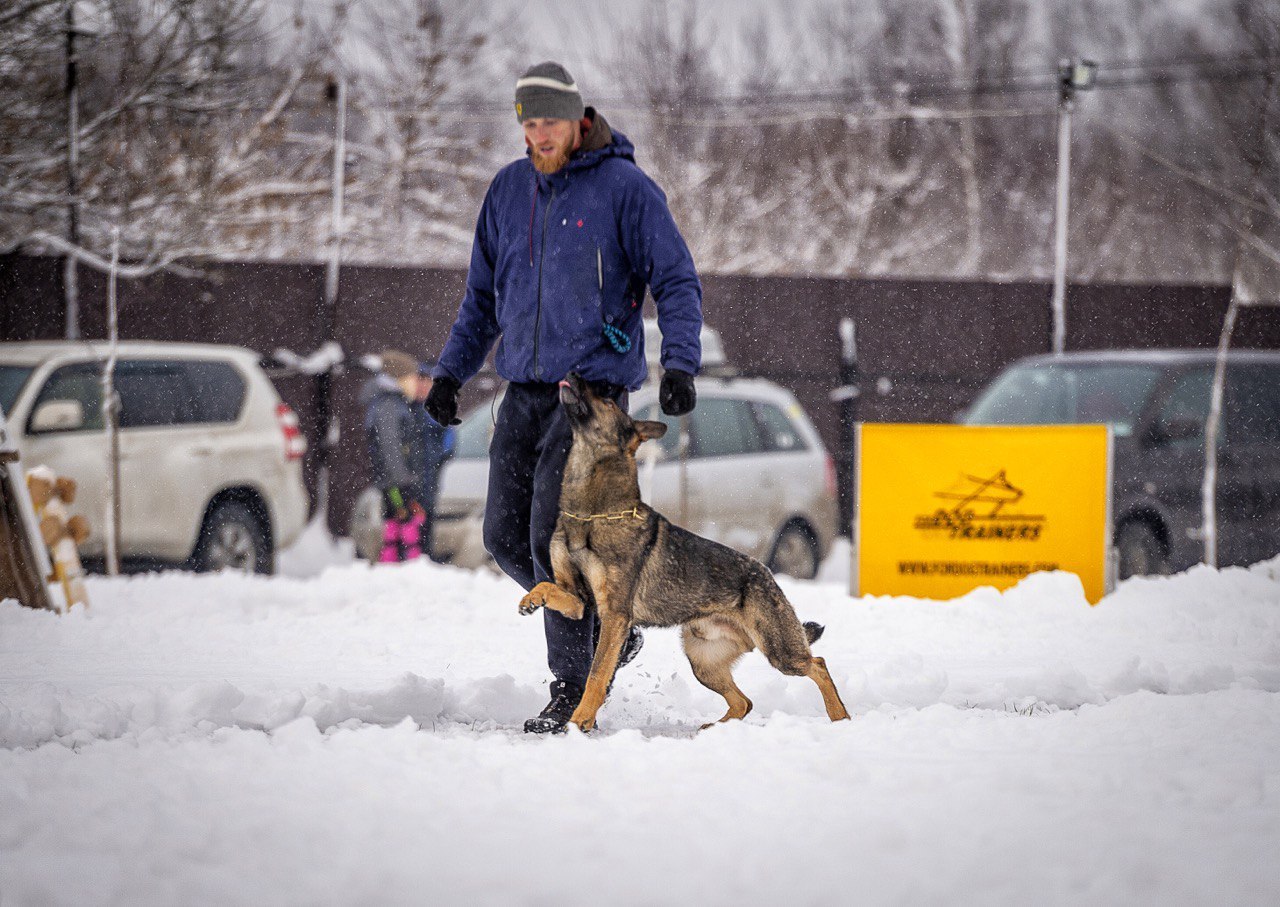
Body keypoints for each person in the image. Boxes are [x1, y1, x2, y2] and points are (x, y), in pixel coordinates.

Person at [425, 61, 703, 733]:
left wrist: (680, 363)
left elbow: (676, 278)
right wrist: (448, 375)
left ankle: (571, 685)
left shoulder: (626, 190)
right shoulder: (507, 191)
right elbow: (481, 303)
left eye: (549, 122)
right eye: (528, 122)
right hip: (521, 391)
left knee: (555, 539)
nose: (539, 135)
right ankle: (608, 629)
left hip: (591, 399)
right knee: (500, 535)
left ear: (579, 121)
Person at [362, 349, 427, 563]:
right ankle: (407, 561)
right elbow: (390, 446)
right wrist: (403, 479)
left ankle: (397, 561)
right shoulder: (389, 406)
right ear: (398, 379)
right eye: (411, 378)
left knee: (396, 516)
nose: (415, 384)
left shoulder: (394, 403)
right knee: (405, 517)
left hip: (394, 477)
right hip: (395, 479)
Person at [413, 362, 454, 561]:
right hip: (415, 475)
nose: (422, 386)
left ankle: (424, 555)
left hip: (429, 474)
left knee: (427, 517)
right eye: (420, 381)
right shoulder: (410, 408)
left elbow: (450, 441)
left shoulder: (435, 408)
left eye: (426, 381)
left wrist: (437, 459)